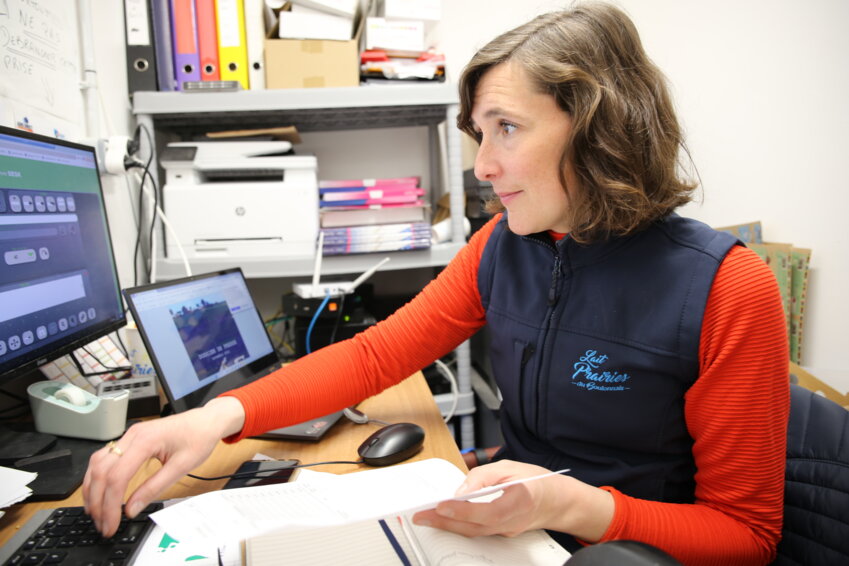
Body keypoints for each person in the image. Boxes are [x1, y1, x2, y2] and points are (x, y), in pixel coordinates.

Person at [84, 3, 789, 564]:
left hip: (617, 549)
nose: (482, 166)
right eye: (479, 133)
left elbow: (745, 538)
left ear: (598, 129)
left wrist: (567, 505)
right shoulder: (501, 248)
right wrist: (212, 418)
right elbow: (375, 356)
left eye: (506, 128)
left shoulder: (728, 288)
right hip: (509, 532)